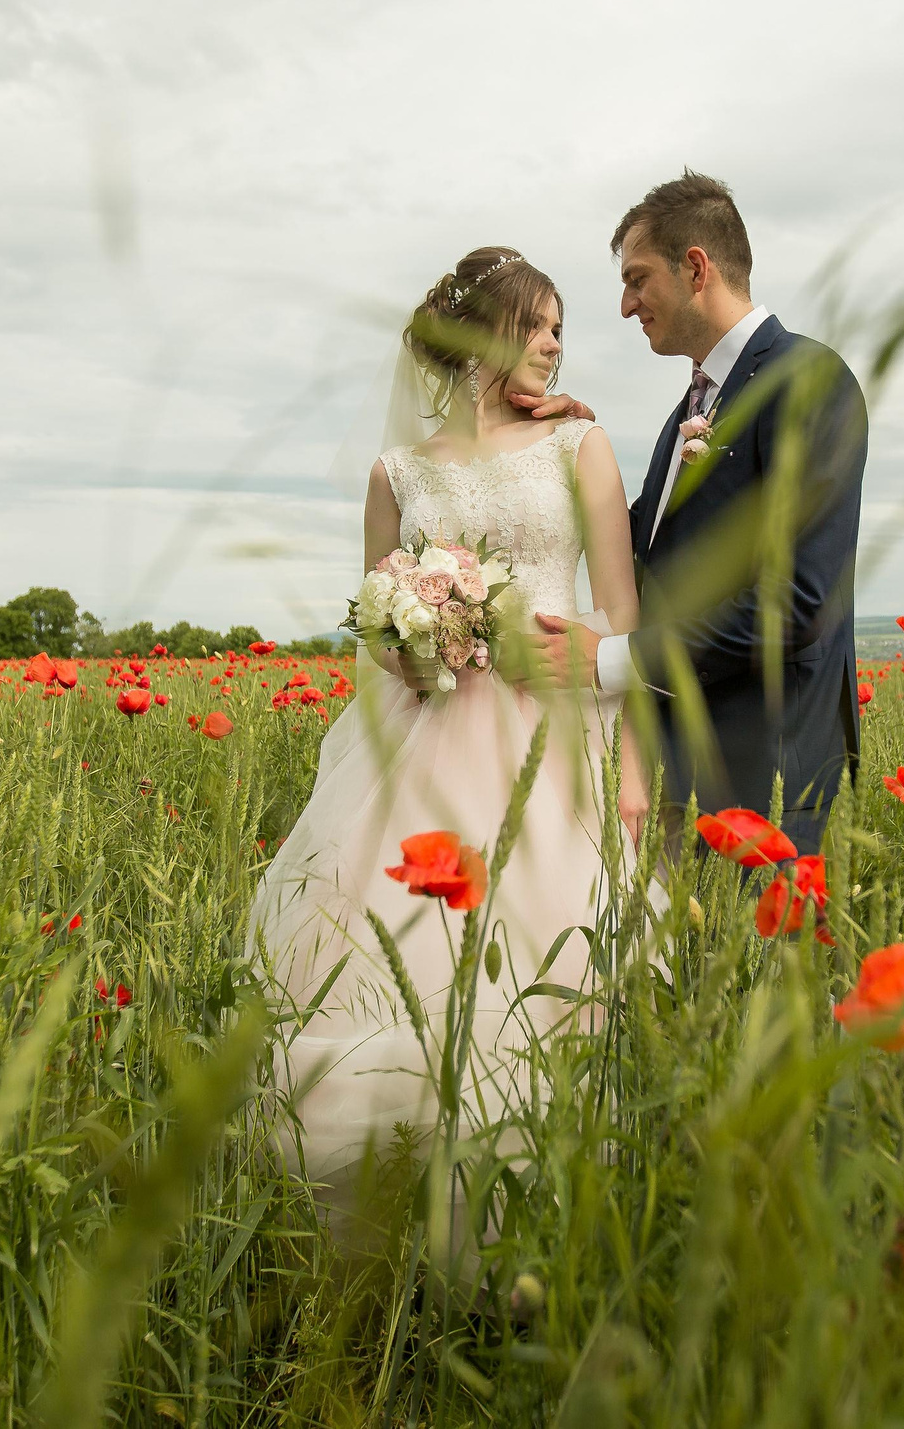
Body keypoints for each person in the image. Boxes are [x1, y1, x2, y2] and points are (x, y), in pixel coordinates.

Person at [246, 246, 653, 1220]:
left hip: (554, 730)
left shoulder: (578, 447)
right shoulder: (397, 472)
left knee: (546, 947)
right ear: (486, 332)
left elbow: (622, 615)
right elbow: (374, 619)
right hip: (424, 734)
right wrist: (417, 636)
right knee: (402, 944)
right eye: (541, 324)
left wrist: (630, 763)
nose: (555, 345)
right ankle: (398, 1188)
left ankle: (536, 1204)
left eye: (562, 330)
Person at [526, 171, 868, 859]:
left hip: (766, 770)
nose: (626, 305)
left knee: (759, 968)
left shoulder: (807, 379)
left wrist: (612, 660)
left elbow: (798, 600)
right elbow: (640, 554)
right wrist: (556, 451)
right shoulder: (686, 413)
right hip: (681, 769)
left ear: (695, 267)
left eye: (637, 278)